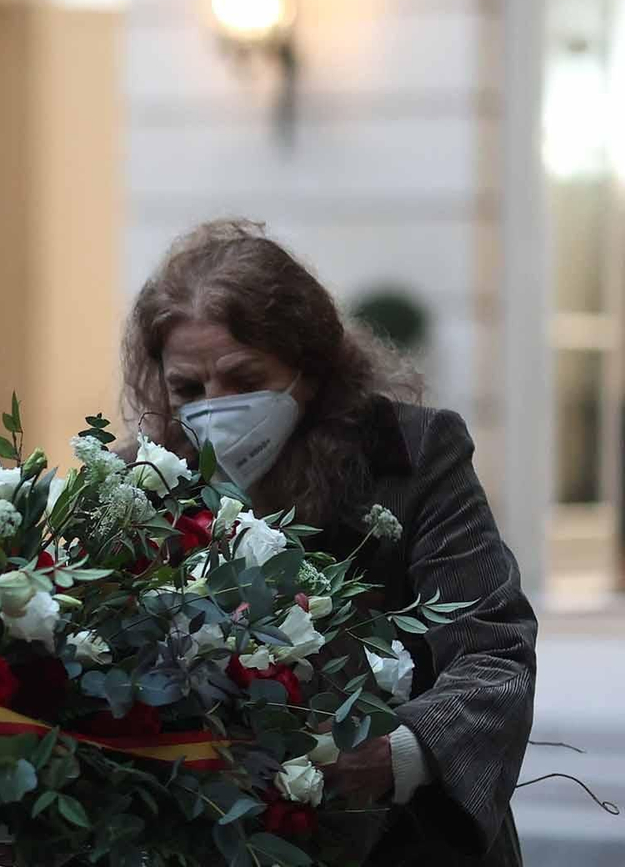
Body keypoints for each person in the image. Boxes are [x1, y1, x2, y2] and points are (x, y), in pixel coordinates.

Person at [121, 219, 536, 866]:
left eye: (244, 378)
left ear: (309, 372)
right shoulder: (138, 489)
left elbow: (494, 647)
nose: (214, 407)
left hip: (399, 842)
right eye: (188, 390)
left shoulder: (410, 455)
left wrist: (397, 753)